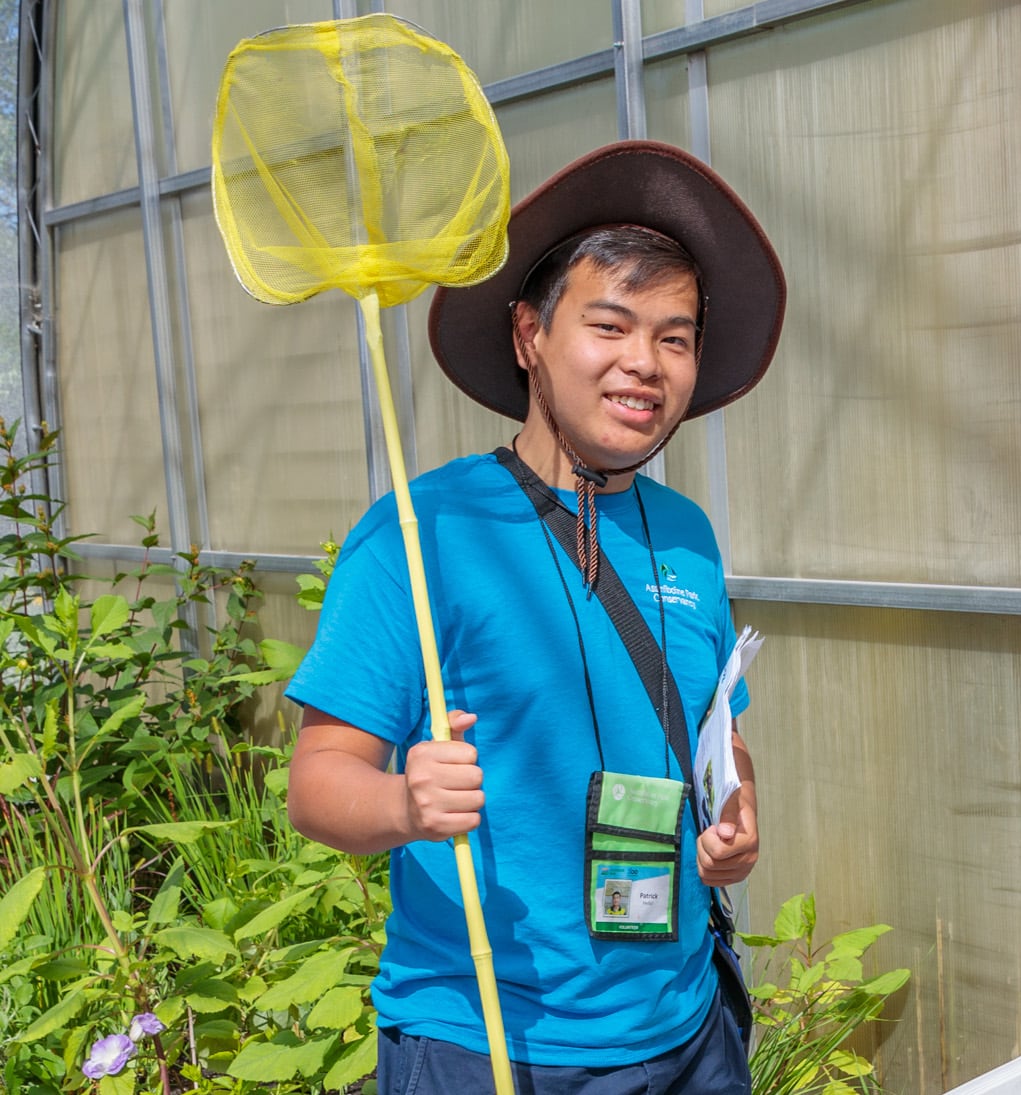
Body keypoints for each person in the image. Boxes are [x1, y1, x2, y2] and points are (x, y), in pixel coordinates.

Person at [285, 141, 786, 1094]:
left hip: (686, 1029)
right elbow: (317, 783)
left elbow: (722, 733)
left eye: (675, 337)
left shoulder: (686, 536)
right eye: (611, 325)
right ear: (528, 334)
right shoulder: (422, 529)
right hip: (487, 1039)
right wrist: (401, 803)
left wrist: (738, 808)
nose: (645, 362)